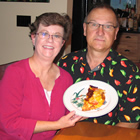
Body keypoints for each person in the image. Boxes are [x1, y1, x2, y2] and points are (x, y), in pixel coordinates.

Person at [0, 12, 82, 139]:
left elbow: (67, 116)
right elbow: (9, 124)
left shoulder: (66, 78)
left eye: (57, 36)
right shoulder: (15, 73)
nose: (50, 40)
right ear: (34, 38)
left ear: (62, 43)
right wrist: (56, 125)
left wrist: (85, 110)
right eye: (44, 34)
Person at [58, 3, 140, 129]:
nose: (100, 32)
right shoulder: (64, 64)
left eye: (108, 26)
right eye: (94, 24)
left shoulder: (129, 71)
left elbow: (131, 122)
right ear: (85, 29)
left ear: (116, 33)